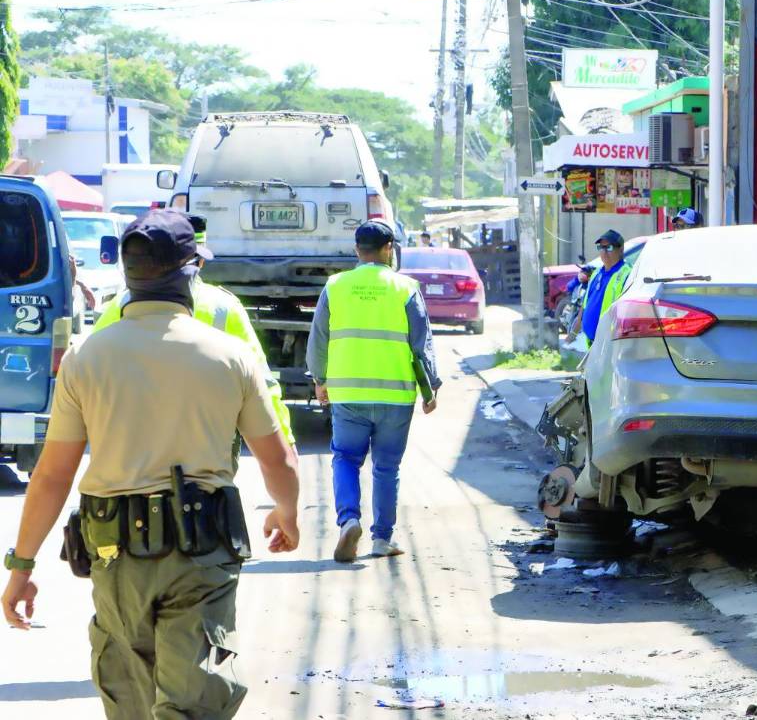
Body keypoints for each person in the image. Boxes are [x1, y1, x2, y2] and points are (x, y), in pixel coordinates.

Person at [2, 209, 300, 718]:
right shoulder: (231, 356)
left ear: (129, 275)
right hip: (201, 555)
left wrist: (22, 567)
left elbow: (52, 476)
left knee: (131, 702)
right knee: (194, 703)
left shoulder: (86, 358)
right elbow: (278, 460)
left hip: (116, 558)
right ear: (189, 273)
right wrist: (286, 513)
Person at [93, 214, 296, 452]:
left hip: (133, 441)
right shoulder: (224, 307)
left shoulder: (120, 305)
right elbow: (262, 382)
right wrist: (286, 441)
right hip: (209, 444)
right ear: (198, 263)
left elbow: (92, 373)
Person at [306, 221, 441, 562]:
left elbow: (318, 338)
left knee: (346, 459)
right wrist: (430, 388)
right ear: (388, 249)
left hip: (348, 394)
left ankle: (349, 520)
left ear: (356, 250)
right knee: (386, 467)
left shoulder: (336, 286)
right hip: (395, 396)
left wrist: (320, 380)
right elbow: (421, 343)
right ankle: (382, 539)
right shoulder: (405, 287)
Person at [578, 230, 632, 346]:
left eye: (609, 247)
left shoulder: (626, 274)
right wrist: (573, 332)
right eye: (601, 247)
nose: (604, 252)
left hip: (610, 343)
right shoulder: (596, 273)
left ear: (621, 249)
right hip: (592, 343)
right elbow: (585, 304)